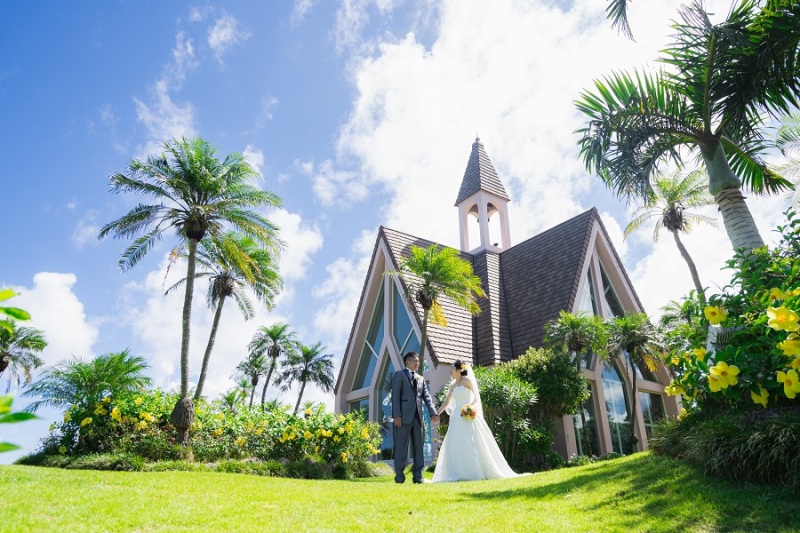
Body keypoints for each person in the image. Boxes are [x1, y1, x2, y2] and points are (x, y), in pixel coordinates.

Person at [432, 360, 523, 482]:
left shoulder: (467, 381)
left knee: (470, 442)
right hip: (455, 418)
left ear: (459, 370)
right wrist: (436, 413)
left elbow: (476, 397)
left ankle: (474, 471)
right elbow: (447, 402)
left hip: (467, 416)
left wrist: (469, 407)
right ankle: (456, 472)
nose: (450, 369)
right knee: (455, 443)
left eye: (452, 367)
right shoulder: (452, 386)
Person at [391, 351, 439, 484]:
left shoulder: (421, 378)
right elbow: (395, 396)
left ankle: (418, 477)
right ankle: (399, 477)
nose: (417, 363)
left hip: (418, 418)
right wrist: (397, 415)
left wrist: (433, 412)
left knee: (419, 448)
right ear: (408, 362)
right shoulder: (399, 375)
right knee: (401, 448)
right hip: (402, 418)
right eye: (415, 361)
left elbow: (427, 397)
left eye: (418, 361)